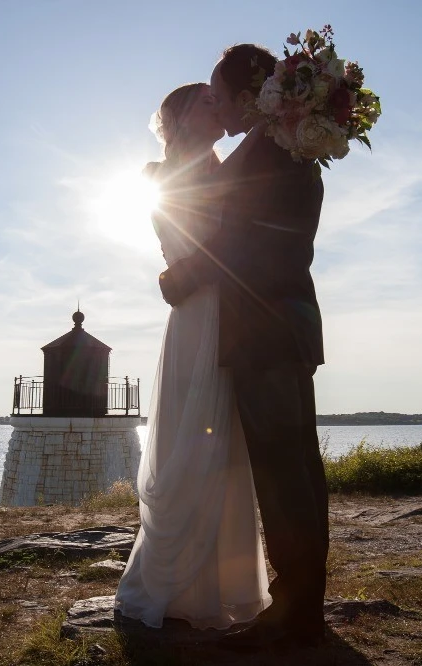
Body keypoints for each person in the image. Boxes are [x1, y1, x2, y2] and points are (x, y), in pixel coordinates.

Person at [158, 44, 329, 650]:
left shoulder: (266, 153)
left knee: (285, 474)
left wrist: (174, 280)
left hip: (263, 331)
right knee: (299, 469)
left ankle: (296, 613)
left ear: (247, 92)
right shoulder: (283, 147)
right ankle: (304, 605)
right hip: (287, 326)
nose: (218, 105)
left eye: (218, 92)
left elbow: (234, 248)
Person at [114, 82, 272, 631]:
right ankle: (170, 584)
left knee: (228, 451)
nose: (218, 104)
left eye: (217, 98)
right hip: (196, 318)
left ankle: (222, 587)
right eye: (205, 100)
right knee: (189, 443)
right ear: (179, 116)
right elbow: (204, 238)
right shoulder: (158, 175)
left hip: (232, 315)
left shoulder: (232, 166)